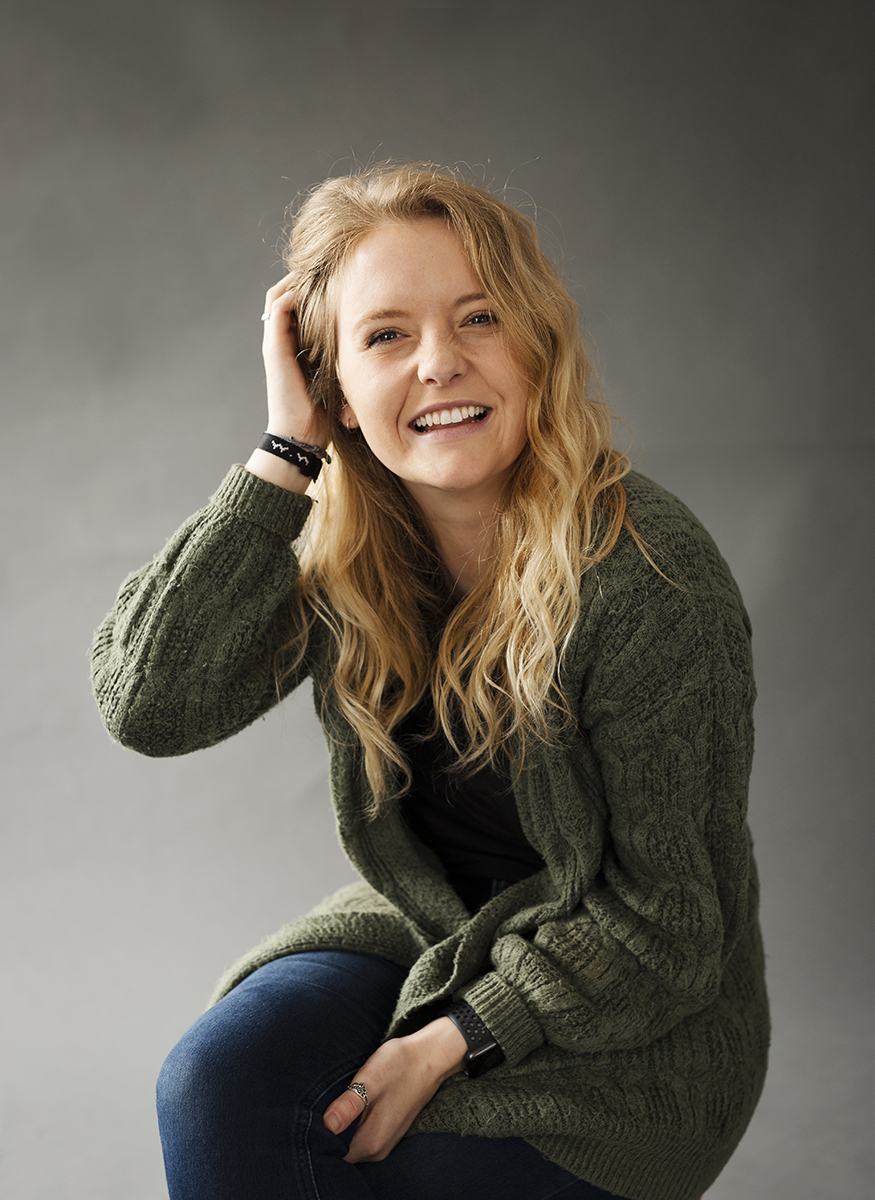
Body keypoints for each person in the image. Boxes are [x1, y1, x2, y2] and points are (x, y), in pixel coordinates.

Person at [91, 163, 769, 1200]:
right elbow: (149, 701)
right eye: (385, 336)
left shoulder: (646, 576)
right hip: (431, 927)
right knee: (216, 1085)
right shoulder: (343, 550)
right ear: (335, 389)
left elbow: (668, 925)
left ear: (535, 343)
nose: (440, 362)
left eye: (478, 318)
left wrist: (452, 1037)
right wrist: (283, 453)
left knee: (399, 1166)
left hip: (633, 1011)